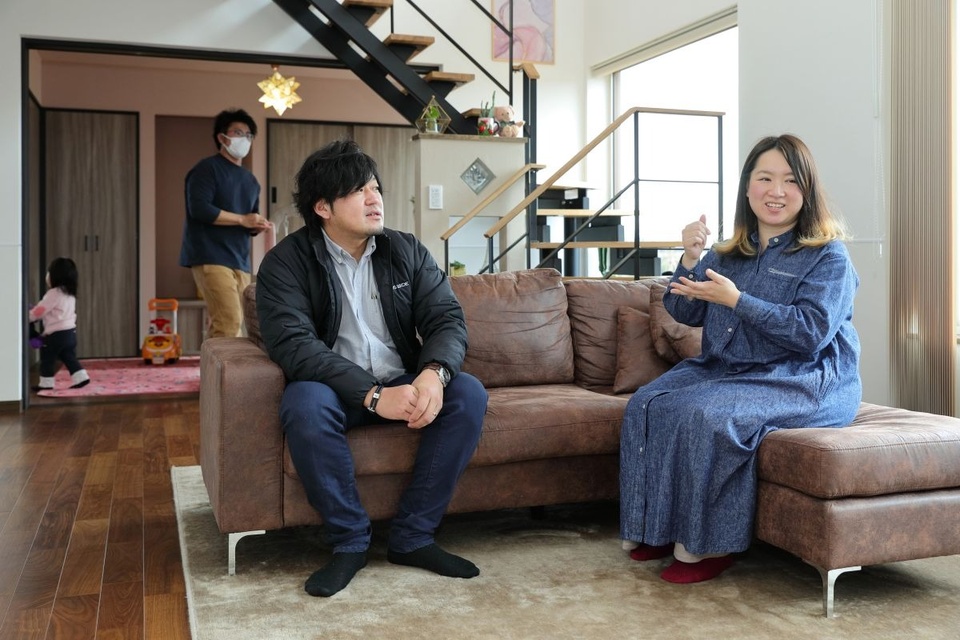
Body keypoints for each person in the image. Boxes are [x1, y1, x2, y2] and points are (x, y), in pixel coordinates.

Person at [620, 134, 862, 584]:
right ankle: (658, 527)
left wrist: (738, 301)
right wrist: (690, 259)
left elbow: (810, 333)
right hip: (728, 370)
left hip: (804, 378)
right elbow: (686, 311)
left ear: (807, 190)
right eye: (765, 178)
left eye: (790, 181)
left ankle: (709, 546)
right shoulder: (728, 253)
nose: (777, 191)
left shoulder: (828, 256)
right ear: (747, 187)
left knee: (708, 416)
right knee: (646, 403)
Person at [255, 139, 488, 597]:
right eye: (358, 190)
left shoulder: (405, 250)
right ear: (322, 207)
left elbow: (446, 319)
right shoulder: (285, 263)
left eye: (376, 188)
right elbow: (294, 346)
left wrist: (434, 372)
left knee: (468, 393)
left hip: (400, 380)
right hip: (333, 388)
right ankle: (349, 543)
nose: (374, 198)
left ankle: (413, 537)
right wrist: (373, 395)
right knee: (304, 403)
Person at [179, 108, 271, 339]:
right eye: (238, 133)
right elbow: (199, 209)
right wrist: (242, 219)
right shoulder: (206, 169)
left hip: (240, 259)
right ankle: (219, 366)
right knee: (229, 321)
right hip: (210, 256)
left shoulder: (251, 181)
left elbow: (250, 217)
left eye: (249, 135)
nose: (244, 139)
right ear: (222, 137)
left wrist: (256, 225)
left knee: (239, 323)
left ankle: (215, 363)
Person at [29, 257, 90, 392]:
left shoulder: (53, 293)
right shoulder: (69, 293)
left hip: (56, 335)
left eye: (49, 272)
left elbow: (40, 311)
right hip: (70, 333)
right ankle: (81, 377)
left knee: (47, 359)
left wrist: (28, 317)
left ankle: (46, 384)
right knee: (68, 357)